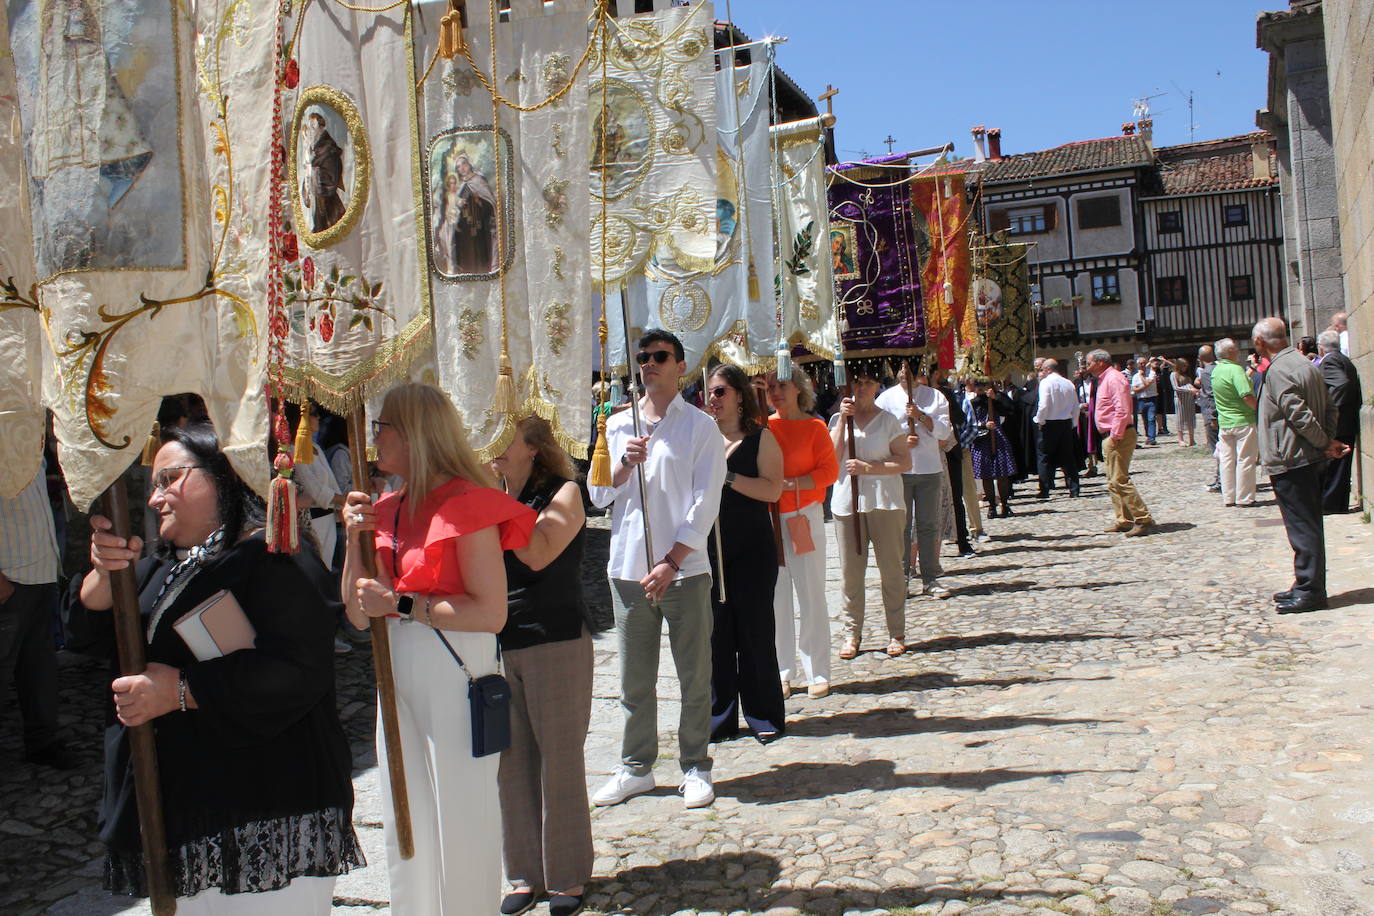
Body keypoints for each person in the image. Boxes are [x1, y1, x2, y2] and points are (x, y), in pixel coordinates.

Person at [80, 423, 362, 913]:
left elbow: (298, 671)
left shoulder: (274, 558)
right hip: (187, 806)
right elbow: (86, 636)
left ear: (223, 474)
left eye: (170, 479)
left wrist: (181, 690)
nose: (155, 498)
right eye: (153, 484)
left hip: (263, 806)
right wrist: (104, 574)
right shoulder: (160, 567)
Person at [342, 383, 535, 915]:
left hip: (455, 673)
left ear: (413, 434)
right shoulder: (387, 508)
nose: (374, 438)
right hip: (398, 675)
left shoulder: (466, 504)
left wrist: (402, 606)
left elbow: (489, 613)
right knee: (409, 816)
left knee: (461, 814)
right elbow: (360, 614)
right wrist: (353, 540)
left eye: (382, 427)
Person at [587, 330, 725, 809]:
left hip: (684, 571)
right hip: (627, 570)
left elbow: (706, 502)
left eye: (659, 357)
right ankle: (635, 766)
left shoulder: (701, 428)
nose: (649, 364)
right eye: (643, 358)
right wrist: (623, 465)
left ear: (680, 365)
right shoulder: (616, 424)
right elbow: (598, 495)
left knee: (693, 674)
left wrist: (672, 561)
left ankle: (695, 765)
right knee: (634, 680)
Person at [490, 416, 594, 916]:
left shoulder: (565, 493)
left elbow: (536, 552)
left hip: (554, 637)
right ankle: (522, 874)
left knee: (560, 761)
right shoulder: (490, 496)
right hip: (498, 640)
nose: (491, 447)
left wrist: (492, 501)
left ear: (532, 446)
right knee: (511, 765)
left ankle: (567, 876)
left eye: (502, 436)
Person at [703, 365, 785, 741]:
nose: (712, 399)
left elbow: (772, 491)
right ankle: (719, 719)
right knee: (716, 636)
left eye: (720, 392)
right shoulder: (701, 439)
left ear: (738, 395)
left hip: (752, 549)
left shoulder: (760, 438)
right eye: (709, 392)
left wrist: (730, 477)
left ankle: (763, 715)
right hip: (708, 550)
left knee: (755, 633)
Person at [1252, 318, 1349, 613]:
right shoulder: (1304, 363)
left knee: (1302, 527)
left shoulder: (1280, 368)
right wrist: (1328, 439)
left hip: (1293, 457)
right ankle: (1305, 583)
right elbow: (1329, 406)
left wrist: (1323, 442)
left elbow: (1298, 413)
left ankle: (1311, 590)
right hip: (1305, 454)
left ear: (1260, 343)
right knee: (1307, 523)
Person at [765, 370, 839, 699]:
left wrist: (791, 485)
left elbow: (828, 471)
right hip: (768, 520)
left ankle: (818, 670)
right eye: (769, 387)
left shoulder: (815, 427)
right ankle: (782, 670)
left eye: (782, 385)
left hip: (802, 517)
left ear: (798, 388)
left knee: (811, 595)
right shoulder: (763, 427)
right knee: (777, 599)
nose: (775, 392)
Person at [831, 366, 910, 658]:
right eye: (857, 382)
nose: (862, 388)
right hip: (847, 504)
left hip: (885, 501)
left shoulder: (888, 421)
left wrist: (870, 468)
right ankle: (852, 633)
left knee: (890, 569)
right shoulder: (839, 419)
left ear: (877, 385)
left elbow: (904, 462)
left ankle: (896, 631)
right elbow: (831, 457)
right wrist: (842, 420)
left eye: (867, 382)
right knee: (851, 573)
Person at [1, 461, 73, 770]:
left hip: (40, 571)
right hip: (10, 576)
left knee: (39, 669)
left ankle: (42, 743)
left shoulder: (30, 443)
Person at [876, 362, 954, 597]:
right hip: (900, 471)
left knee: (928, 525)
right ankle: (902, 577)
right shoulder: (885, 399)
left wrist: (921, 416)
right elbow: (877, 434)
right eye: (899, 367)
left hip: (929, 468)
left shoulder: (935, 397)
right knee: (901, 526)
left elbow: (944, 431)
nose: (903, 371)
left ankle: (930, 577)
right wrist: (899, 443)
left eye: (908, 366)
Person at [1087, 349, 1154, 536]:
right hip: (1109, 434)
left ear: (1100, 362)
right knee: (1112, 481)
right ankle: (1124, 519)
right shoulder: (1104, 379)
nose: (1087, 365)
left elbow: (1122, 408)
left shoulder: (1114, 378)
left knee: (1119, 480)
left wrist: (1116, 435)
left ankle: (1143, 518)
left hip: (1118, 434)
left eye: (1089, 362)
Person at [1316, 330, 1362, 514]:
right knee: (1340, 465)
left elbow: (1341, 384)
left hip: (1338, 423)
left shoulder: (1330, 360)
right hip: (1346, 421)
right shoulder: (1342, 358)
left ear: (1321, 347)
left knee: (1334, 464)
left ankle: (1330, 505)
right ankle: (1337, 504)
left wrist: (1331, 409)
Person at [1211, 339, 1260, 509]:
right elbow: (1246, 395)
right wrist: (1259, 410)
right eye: (1236, 349)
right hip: (1243, 420)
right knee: (1245, 458)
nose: (1239, 351)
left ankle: (1229, 496)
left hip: (1225, 421)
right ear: (1231, 352)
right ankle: (1244, 497)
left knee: (1226, 460)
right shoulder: (1235, 369)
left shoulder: (1216, 371)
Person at [966, 378, 1018, 518]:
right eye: (978, 386)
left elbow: (1010, 410)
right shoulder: (971, 404)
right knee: (986, 475)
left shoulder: (996, 399)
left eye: (983, 385)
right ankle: (991, 506)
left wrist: (996, 398)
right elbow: (967, 422)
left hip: (998, 438)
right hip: (981, 441)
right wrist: (983, 425)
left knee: (1002, 474)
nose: (981, 388)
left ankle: (1005, 504)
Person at [1032, 359, 1081, 499]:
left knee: (1044, 457)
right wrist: (1073, 423)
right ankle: (1074, 488)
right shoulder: (1068, 383)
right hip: (1065, 422)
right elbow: (1075, 406)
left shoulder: (1046, 383)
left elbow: (1044, 404)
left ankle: (1045, 489)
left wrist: (1039, 420)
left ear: (1047, 369)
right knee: (1068, 457)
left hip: (1049, 423)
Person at [303, 112, 346, 233]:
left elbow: (331, 180)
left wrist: (315, 176)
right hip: (319, 201)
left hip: (328, 203)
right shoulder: (315, 150)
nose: (310, 131)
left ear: (321, 128)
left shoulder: (328, 150)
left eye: (313, 127)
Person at [1196, 345, 1222, 493]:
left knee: (1217, 450)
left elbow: (1211, 395)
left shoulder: (1206, 373)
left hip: (1211, 415)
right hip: (1218, 414)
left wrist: (1212, 416)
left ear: (1200, 358)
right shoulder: (1217, 369)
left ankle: (1220, 481)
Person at [1131, 357, 1159, 446]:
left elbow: (1148, 383)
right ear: (1138, 365)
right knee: (1145, 419)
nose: (1142, 365)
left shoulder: (1152, 373)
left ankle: (1151, 438)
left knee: (1151, 418)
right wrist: (1142, 387)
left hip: (1152, 399)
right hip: (1141, 400)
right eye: (1140, 363)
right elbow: (1134, 389)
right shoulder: (1135, 376)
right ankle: (1148, 435)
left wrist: (1142, 376)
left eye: (1144, 363)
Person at [1171, 357, 1199, 447]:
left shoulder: (1186, 376)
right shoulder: (1174, 374)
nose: (1185, 368)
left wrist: (1194, 390)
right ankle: (1181, 439)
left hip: (1189, 400)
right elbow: (1176, 388)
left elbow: (1190, 385)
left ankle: (1192, 439)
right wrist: (1189, 390)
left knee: (1191, 419)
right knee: (1180, 419)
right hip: (1180, 400)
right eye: (1184, 366)